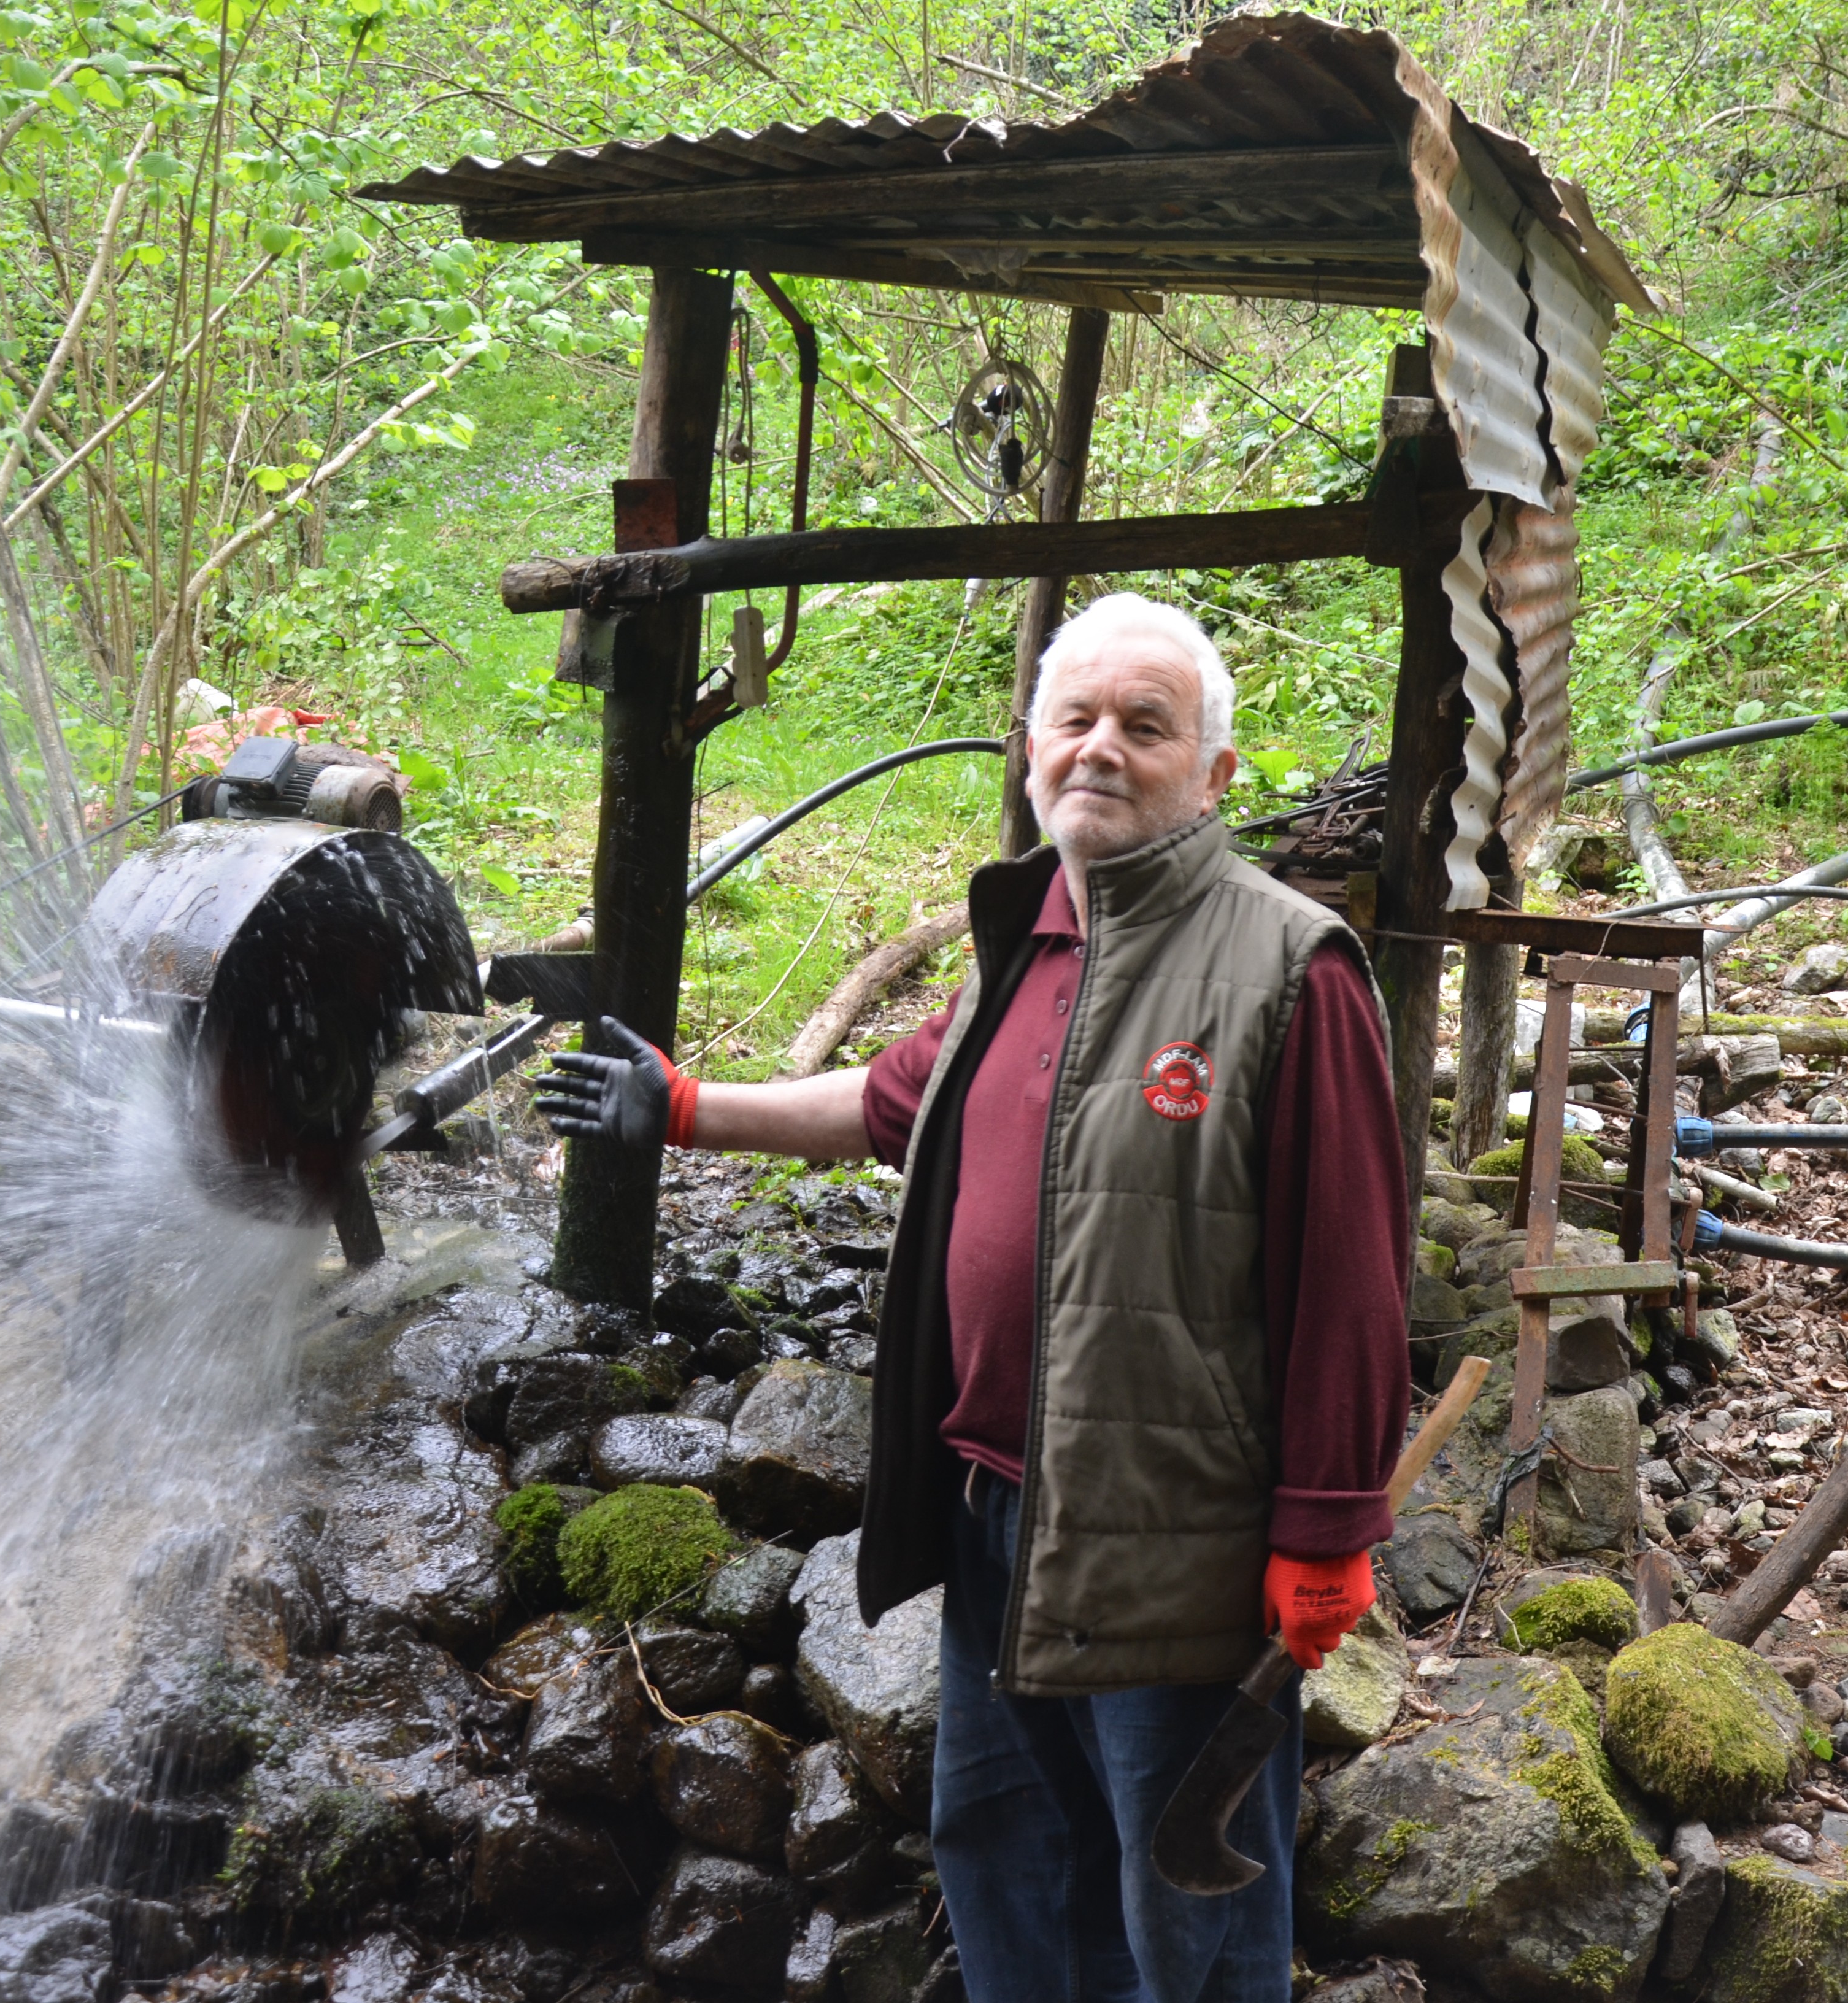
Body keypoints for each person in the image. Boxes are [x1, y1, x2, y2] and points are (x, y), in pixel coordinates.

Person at [537, 592, 1412, 2002]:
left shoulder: (1287, 969)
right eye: (1074, 721)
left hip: (1169, 1540)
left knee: (1181, 1898)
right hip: (995, 1509)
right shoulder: (1029, 945)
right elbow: (893, 1102)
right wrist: (689, 1106)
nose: (1100, 750)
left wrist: (1327, 1531)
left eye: (1146, 725)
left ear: (1215, 773)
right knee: (1004, 1855)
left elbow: (1353, 1281)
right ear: (1028, 748)